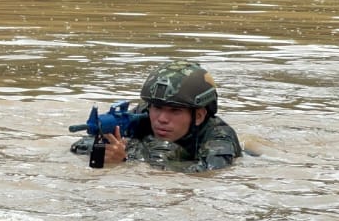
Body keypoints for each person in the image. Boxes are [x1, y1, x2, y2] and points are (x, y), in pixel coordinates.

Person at [71, 60, 243, 172]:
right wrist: (105, 149)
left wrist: (128, 159)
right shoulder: (142, 116)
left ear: (198, 115)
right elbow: (79, 146)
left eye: (175, 111)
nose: (161, 118)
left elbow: (209, 172)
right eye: (157, 108)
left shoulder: (219, 136)